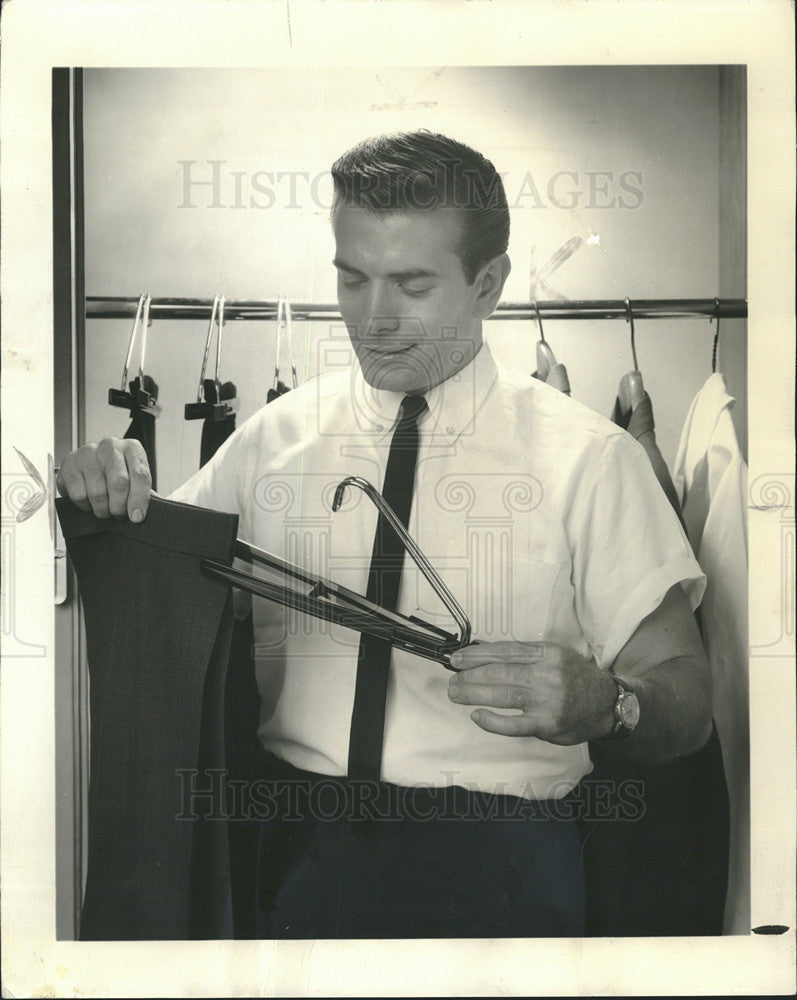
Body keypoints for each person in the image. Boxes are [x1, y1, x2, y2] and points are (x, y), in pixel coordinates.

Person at [57, 130, 711, 938]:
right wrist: (106, 491)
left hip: (501, 867)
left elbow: (686, 697)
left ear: (488, 285)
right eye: (351, 278)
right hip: (292, 848)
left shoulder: (593, 459)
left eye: (410, 285)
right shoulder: (271, 438)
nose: (373, 319)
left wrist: (609, 704)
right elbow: (155, 594)